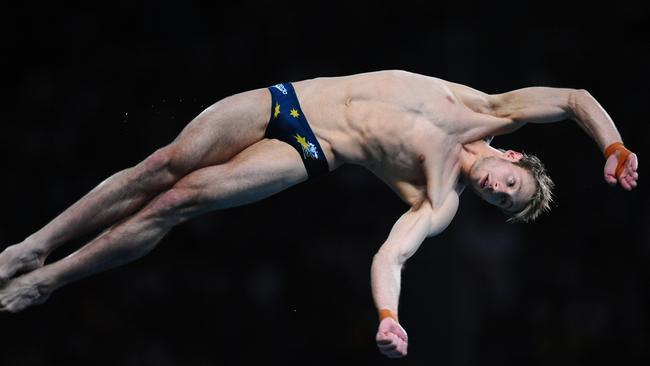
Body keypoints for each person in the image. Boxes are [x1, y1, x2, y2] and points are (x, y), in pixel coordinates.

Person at [0, 70, 638, 358]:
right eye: (511, 183)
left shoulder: (440, 198)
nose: (498, 191)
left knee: (178, 202)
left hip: (311, 150)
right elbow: (576, 97)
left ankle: (48, 281)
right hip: (289, 100)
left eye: (502, 201)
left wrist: (388, 317)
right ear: (516, 155)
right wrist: (612, 145)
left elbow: (392, 254)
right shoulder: (492, 109)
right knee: (161, 166)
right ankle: (33, 247)